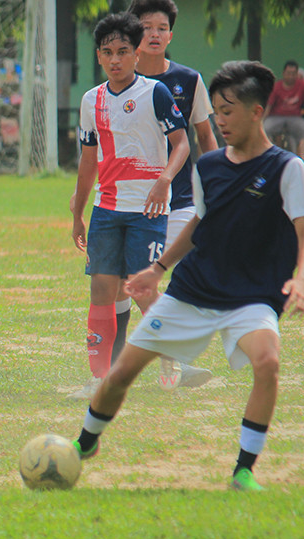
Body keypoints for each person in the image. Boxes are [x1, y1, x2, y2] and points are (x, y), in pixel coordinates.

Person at [73, 60, 304, 492]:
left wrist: (302, 278)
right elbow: (199, 226)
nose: (219, 121)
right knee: (121, 374)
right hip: (192, 292)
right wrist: (157, 269)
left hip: (251, 297)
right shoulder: (209, 167)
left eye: (227, 112)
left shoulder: (287, 168)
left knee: (268, 362)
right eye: (217, 112)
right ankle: (83, 444)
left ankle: (243, 469)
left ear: (257, 111)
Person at [68, 12, 189, 400]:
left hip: (149, 210)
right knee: (102, 289)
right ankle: (99, 378)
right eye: (108, 52)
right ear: (99, 56)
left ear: (136, 54)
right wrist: (78, 213)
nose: (116, 59)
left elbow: (182, 144)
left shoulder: (155, 93)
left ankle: (171, 358)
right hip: (107, 208)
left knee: (140, 287)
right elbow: (89, 162)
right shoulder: (92, 100)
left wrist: (164, 181)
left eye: (123, 51)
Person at [129, 0, 218, 390]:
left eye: (161, 27)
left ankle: (176, 361)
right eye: (145, 26)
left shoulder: (189, 79)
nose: (153, 34)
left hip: (180, 200)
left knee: (181, 284)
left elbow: (204, 136)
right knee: (133, 283)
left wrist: (221, 183)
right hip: (133, 202)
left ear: (171, 34)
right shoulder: (119, 78)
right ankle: (172, 359)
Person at [264, 60, 304, 161]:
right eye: (288, 73)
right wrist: (261, 121)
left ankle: (302, 161)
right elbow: (268, 106)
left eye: (293, 74)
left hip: (295, 117)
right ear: (283, 73)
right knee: (265, 129)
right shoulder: (276, 86)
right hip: (277, 117)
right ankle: (270, 158)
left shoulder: (302, 85)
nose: (291, 76)